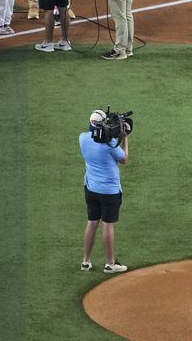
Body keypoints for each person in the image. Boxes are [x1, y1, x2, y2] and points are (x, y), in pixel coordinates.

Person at [79, 109, 130, 274]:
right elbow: (124, 159)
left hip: (91, 188)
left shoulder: (83, 139)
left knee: (92, 222)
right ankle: (110, 263)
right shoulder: (110, 145)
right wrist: (125, 137)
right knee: (108, 225)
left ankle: (85, 261)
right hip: (109, 192)